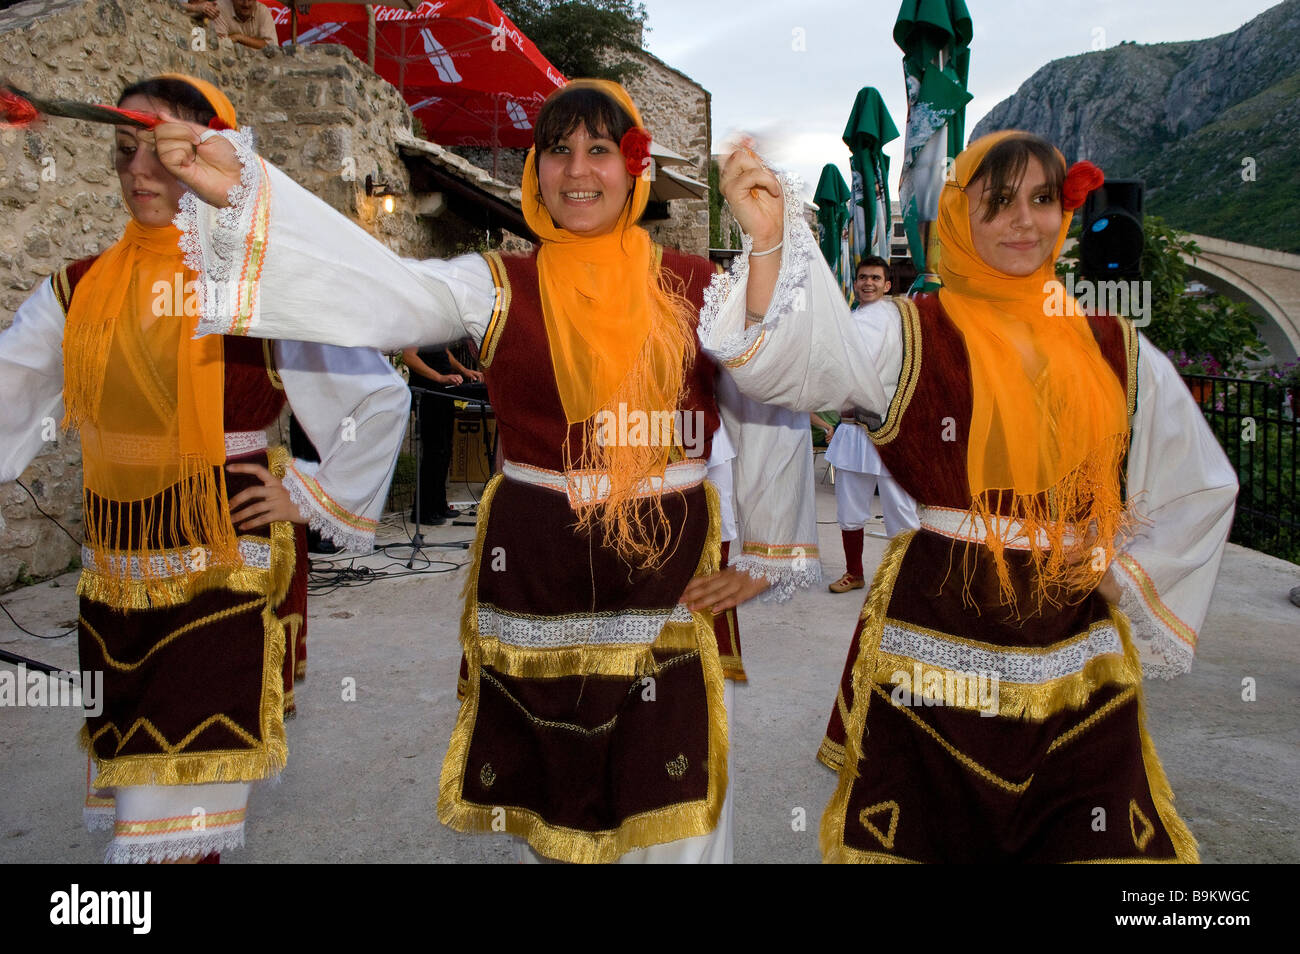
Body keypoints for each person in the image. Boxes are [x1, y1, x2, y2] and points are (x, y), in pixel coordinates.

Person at [153, 78, 819, 862]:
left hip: (666, 573)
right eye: (558, 151)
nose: (577, 169)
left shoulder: (702, 288)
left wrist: (769, 546)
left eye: (600, 149)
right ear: (534, 172)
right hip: (538, 569)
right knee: (557, 789)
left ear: (632, 169)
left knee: (674, 802)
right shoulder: (496, 284)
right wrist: (240, 190)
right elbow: (382, 288)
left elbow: (779, 391)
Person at [702, 129, 1238, 862]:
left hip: (1074, 639)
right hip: (942, 631)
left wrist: (1124, 573)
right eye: (1000, 202)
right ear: (962, 216)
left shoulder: (1116, 345)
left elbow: (1199, 483)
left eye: (1044, 200)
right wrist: (769, 242)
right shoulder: (906, 331)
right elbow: (805, 368)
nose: (1026, 221)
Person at [0, 74, 409, 863]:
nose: (142, 174)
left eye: (167, 153)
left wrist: (310, 495)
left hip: (222, 563)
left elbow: (376, 398)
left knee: (168, 827)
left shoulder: (255, 280)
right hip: (114, 575)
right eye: (125, 153)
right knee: (143, 787)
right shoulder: (77, 290)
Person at [820, 256, 919, 594]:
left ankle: (906, 578)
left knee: (900, 507)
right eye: (863, 277)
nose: (867, 283)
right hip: (853, 429)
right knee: (850, 506)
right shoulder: (855, 318)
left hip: (890, 426)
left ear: (887, 284)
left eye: (875, 278)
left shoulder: (894, 319)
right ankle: (855, 572)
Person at [401, 345, 477, 525]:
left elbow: (444, 353)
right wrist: (440, 377)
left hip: (443, 392)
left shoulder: (437, 329)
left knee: (444, 450)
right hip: (428, 393)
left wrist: (464, 370)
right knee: (433, 451)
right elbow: (409, 357)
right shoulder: (419, 325)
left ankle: (438, 504)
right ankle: (423, 511)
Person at [184, 0, 278, 50]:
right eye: (241, 0)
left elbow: (272, 47)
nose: (246, 4)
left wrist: (239, 37)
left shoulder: (263, 11)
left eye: (250, 0)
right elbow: (221, 45)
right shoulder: (219, 8)